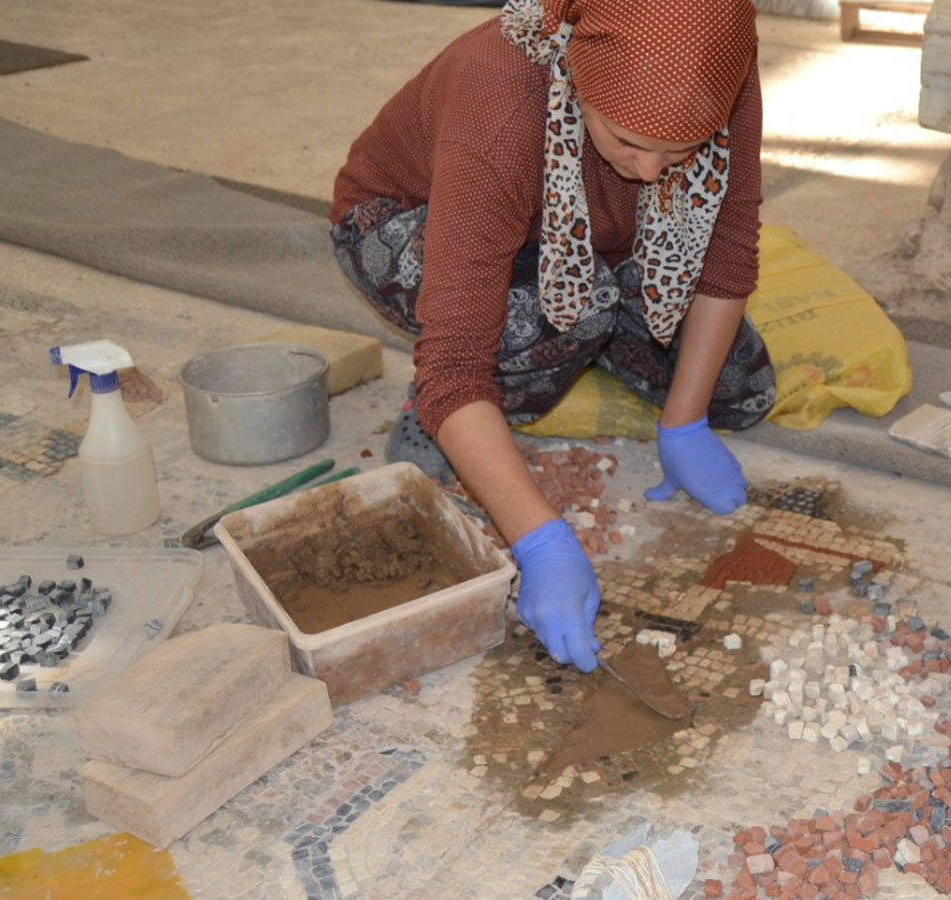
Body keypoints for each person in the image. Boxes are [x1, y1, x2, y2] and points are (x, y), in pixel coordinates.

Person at [329, 0, 776, 674]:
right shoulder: (501, 102)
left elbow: (730, 245)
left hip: (588, 233)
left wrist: (684, 422)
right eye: (628, 141)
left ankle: (570, 344)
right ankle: (463, 412)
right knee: (572, 312)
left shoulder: (717, 69)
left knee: (741, 388)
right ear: (580, 78)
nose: (651, 173)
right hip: (414, 223)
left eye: (680, 153)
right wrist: (541, 542)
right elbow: (453, 364)